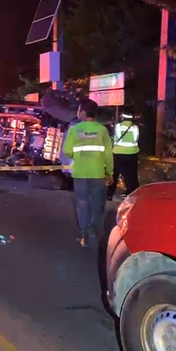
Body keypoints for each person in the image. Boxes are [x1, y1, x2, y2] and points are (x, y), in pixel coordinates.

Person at [62, 99, 114, 248]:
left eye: (78, 110)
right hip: (98, 173)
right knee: (98, 203)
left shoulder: (74, 129)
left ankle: (84, 232)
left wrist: (78, 157)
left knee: (82, 203)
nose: (77, 113)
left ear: (83, 113)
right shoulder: (102, 130)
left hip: (80, 173)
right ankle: (94, 229)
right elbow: (109, 155)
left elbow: (67, 150)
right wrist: (109, 172)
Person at [107, 111, 140, 200]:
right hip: (132, 153)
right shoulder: (135, 127)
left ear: (122, 118)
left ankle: (109, 194)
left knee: (114, 174)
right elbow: (136, 139)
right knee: (131, 174)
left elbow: (115, 138)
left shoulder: (118, 127)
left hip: (118, 153)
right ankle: (133, 192)